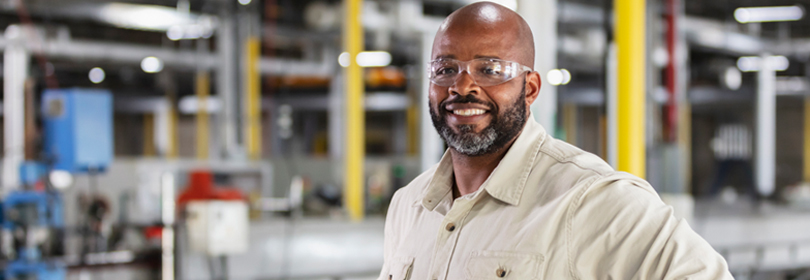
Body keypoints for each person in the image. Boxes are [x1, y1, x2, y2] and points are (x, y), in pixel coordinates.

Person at [378, 2, 733, 279]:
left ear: (529, 89)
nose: (461, 86)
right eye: (445, 69)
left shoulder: (592, 200)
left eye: (490, 69)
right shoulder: (408, 206)